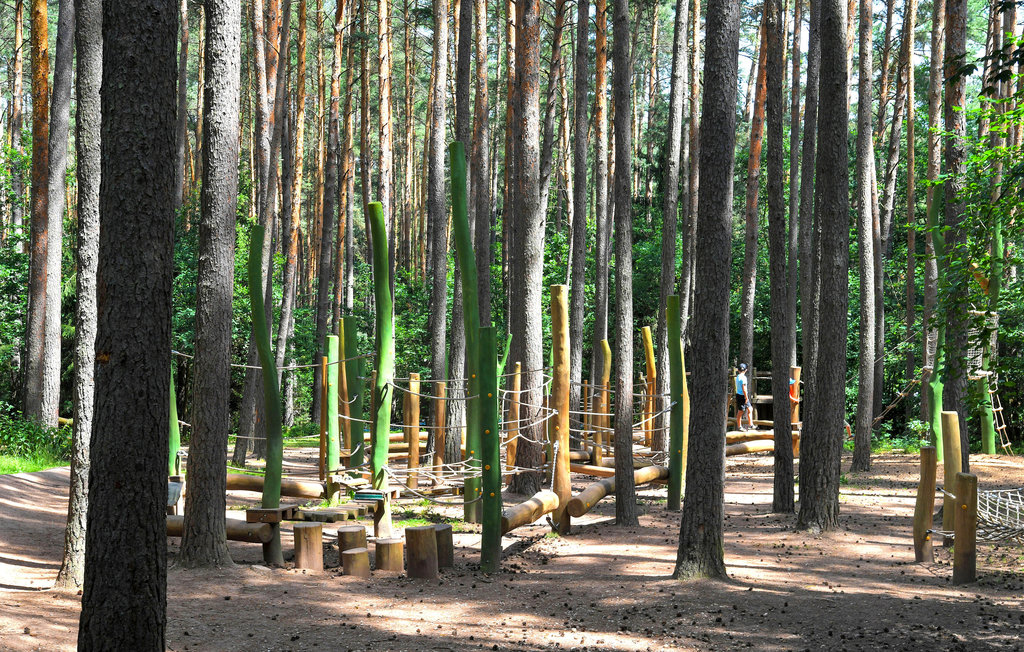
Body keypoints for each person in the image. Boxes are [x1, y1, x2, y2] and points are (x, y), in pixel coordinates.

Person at [735, 363, 754, 431]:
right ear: (746, 370)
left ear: (738, 370)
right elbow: (744, 389)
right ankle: (739, 426)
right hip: (742, 396)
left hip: (739, 395)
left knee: (750, 409)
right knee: (740, 411)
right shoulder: (744, 378)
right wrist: (746, 397)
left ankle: (751, 425)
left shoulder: (738, 377)